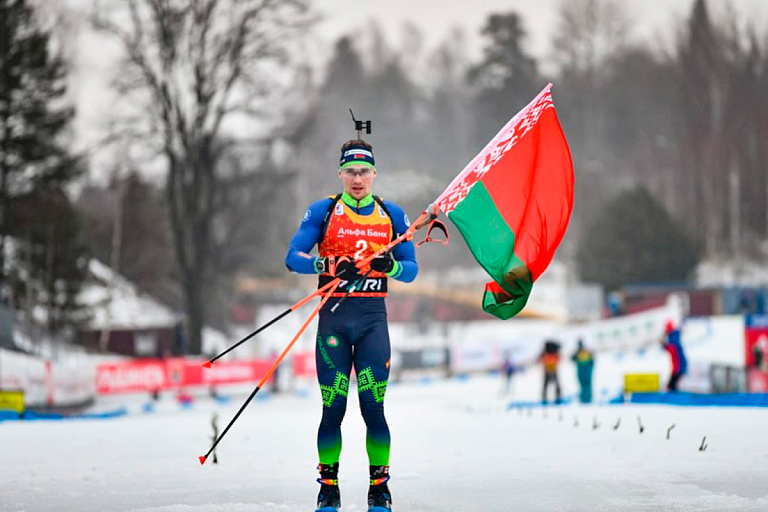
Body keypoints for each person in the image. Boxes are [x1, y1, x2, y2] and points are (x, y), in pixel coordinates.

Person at [285, 138, 418, 512]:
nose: (357, 179)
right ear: (340, 173)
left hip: (373, 322)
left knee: (373, 408)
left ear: (374, 174)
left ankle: (380, 489)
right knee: (333, 408)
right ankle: (328, 488)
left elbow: (411, 269)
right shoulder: (323, 211)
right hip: (334, 323)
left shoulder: (391, 214)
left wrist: (388, 266)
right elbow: (293, 257)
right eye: (350, 171)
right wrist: (324, 266)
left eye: (363, 171)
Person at [661, 321, 687, 392]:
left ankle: (673, 398)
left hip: (678, 367)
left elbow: (672, 348)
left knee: (671, 385)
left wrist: (664, 346)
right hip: (678, 366)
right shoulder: (674, 336)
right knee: (672, 385)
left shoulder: (673, 337)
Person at [571, 339, 594, 403]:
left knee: (583, 384)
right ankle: (587, 398)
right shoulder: (586, 351)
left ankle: (584, 398)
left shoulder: (578, 352)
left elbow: (572, 359)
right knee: (587, 384)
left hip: (581, 369)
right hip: (586, 369)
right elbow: (592, 361)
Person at [538, 340, 561, 404]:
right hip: (554, 370)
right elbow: (558, 360)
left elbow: (541, 360)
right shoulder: (555, 353)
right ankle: (558, 398)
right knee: (556, 385)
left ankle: (544, 399)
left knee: (545, 385)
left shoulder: (545, 353)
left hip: (547, 370)